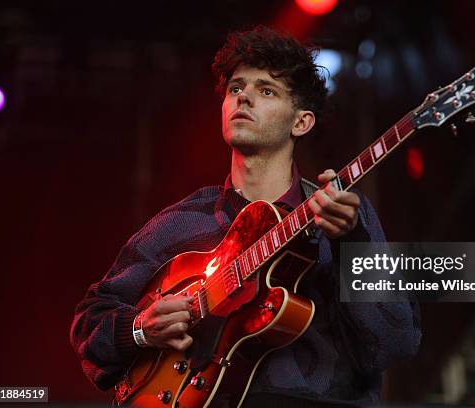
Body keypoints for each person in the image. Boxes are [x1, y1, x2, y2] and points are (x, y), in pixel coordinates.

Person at [70, 26, 421, 407]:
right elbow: (90, 321)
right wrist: (139, 330)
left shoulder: (345, 214)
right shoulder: (181, 222)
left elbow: (394, 342)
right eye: (236, 88)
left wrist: (350, 242)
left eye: (266, 90)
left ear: (301, 122)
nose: (244, 98)